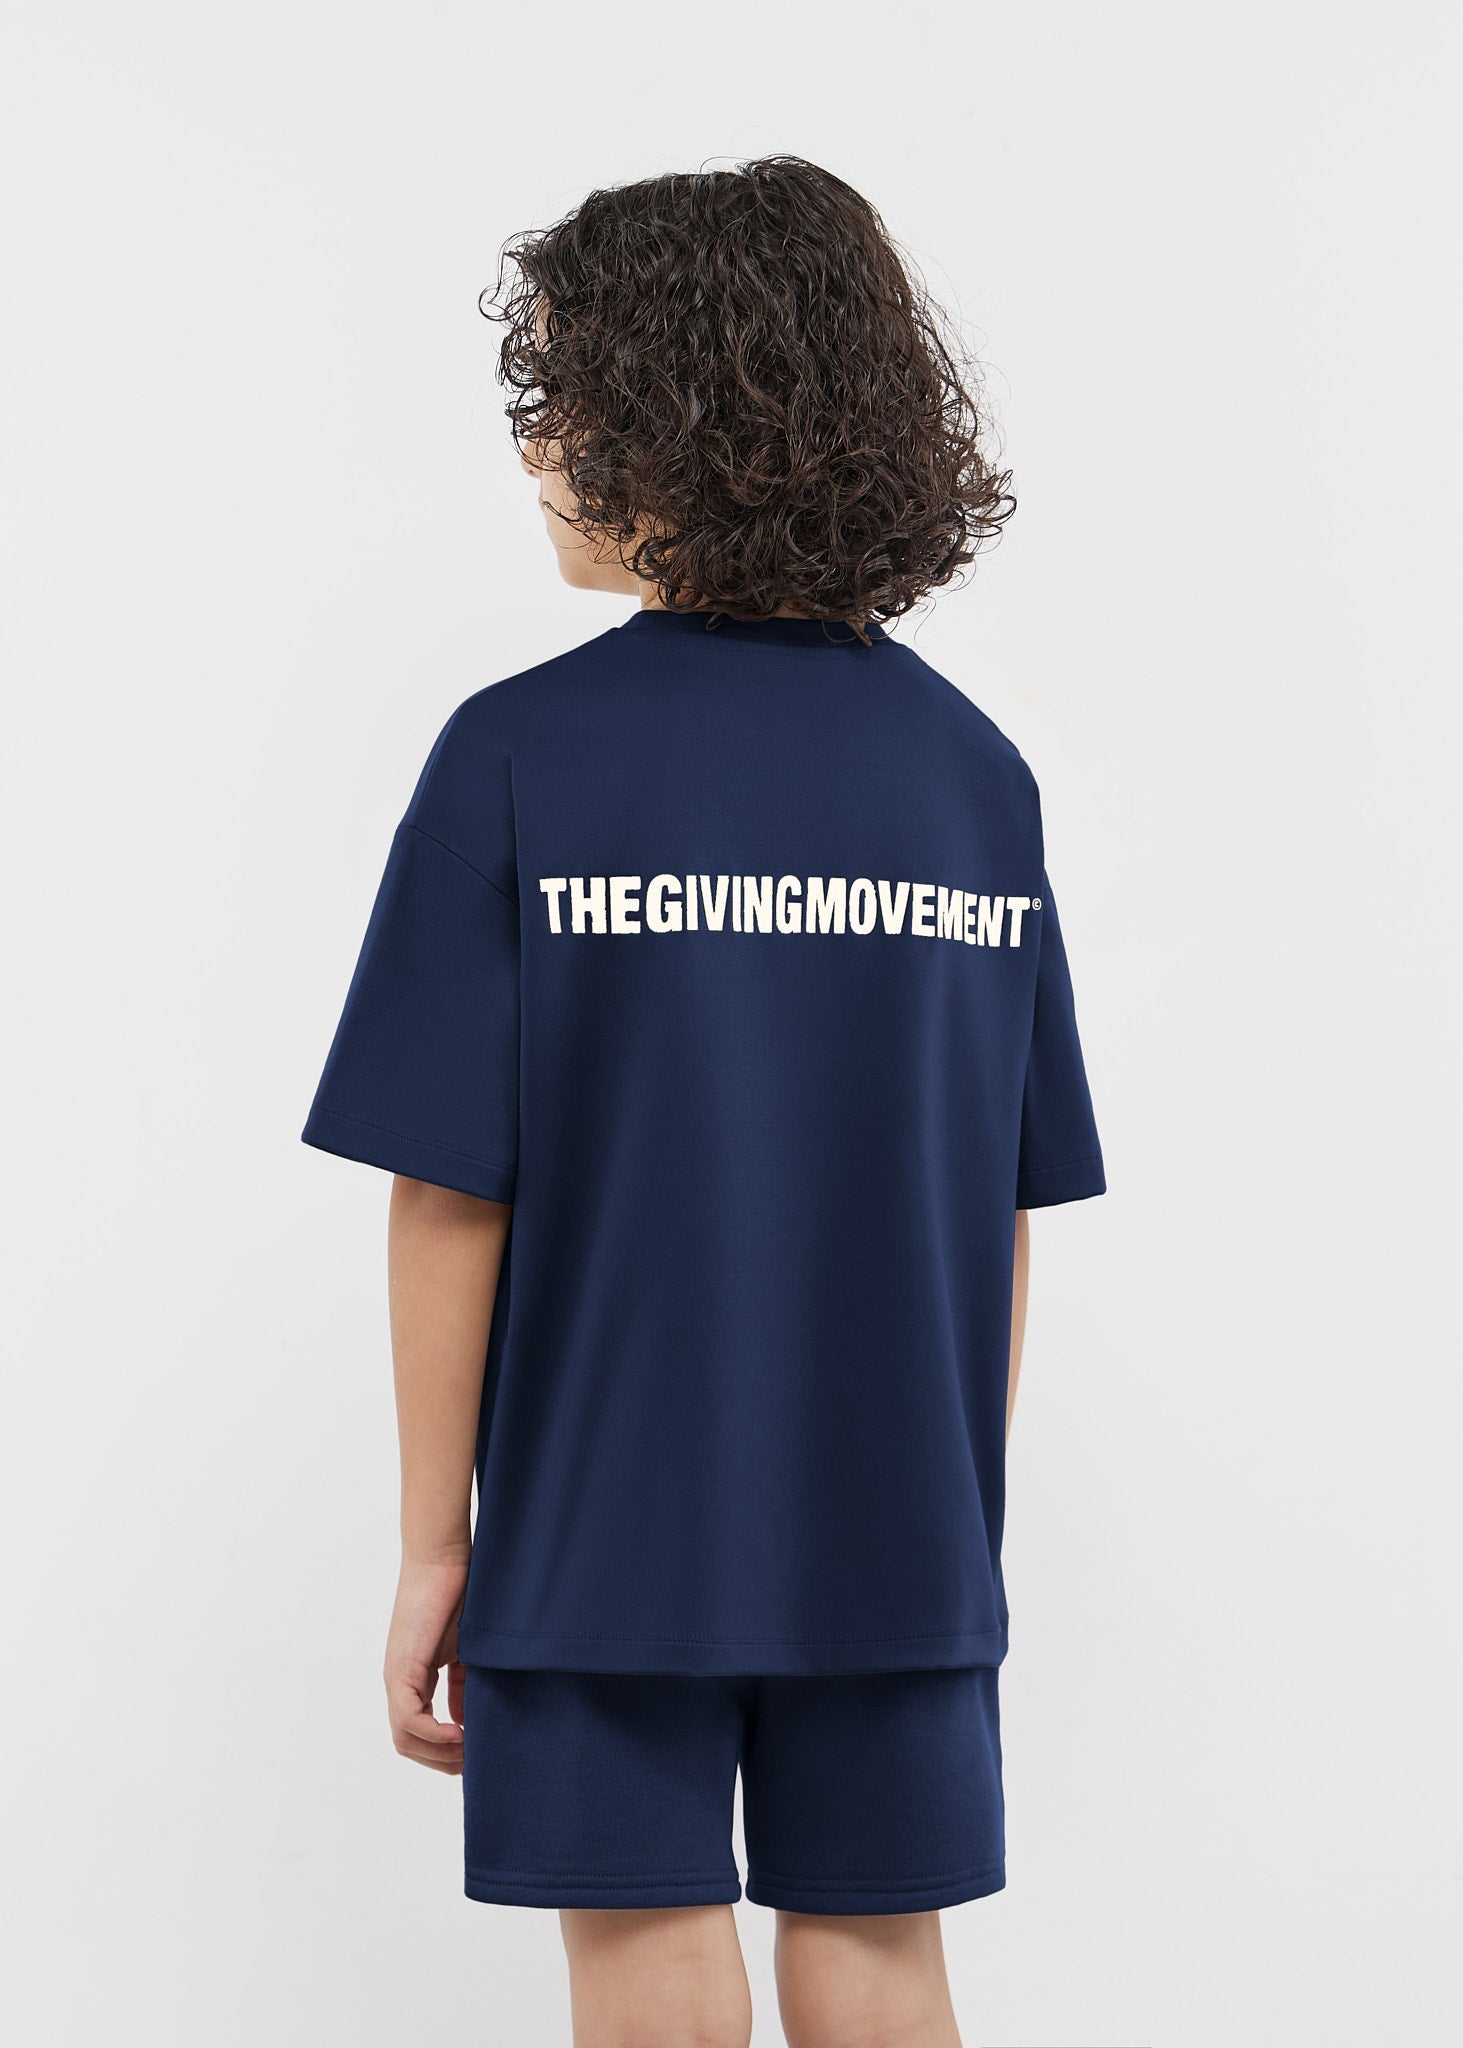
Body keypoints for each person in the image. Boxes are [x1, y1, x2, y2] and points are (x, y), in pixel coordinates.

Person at [303, 156, 1104, 2048]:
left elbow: (453, 1193)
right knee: (884, 1960)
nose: (537, 449)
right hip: (901, 1529)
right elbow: (995, 1202)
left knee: (646, 1966)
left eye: (568, 397)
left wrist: (437, 1545)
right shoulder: (974, 781)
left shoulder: (518, 755)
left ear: (681, 415)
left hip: (601, 1528)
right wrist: (949, 1523)